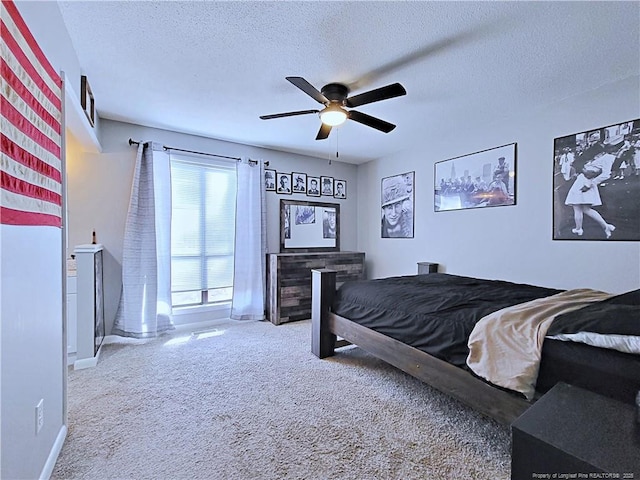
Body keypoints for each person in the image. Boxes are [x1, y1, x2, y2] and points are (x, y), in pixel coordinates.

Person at [565, 163, 615, 238]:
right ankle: (604, 226)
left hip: (584, 183)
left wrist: (587, 183)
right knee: (584, 209)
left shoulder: (599, 161)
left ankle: (579, 229)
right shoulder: (599, 160)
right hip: (586, 182)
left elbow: (592, 173)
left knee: (578, 207)